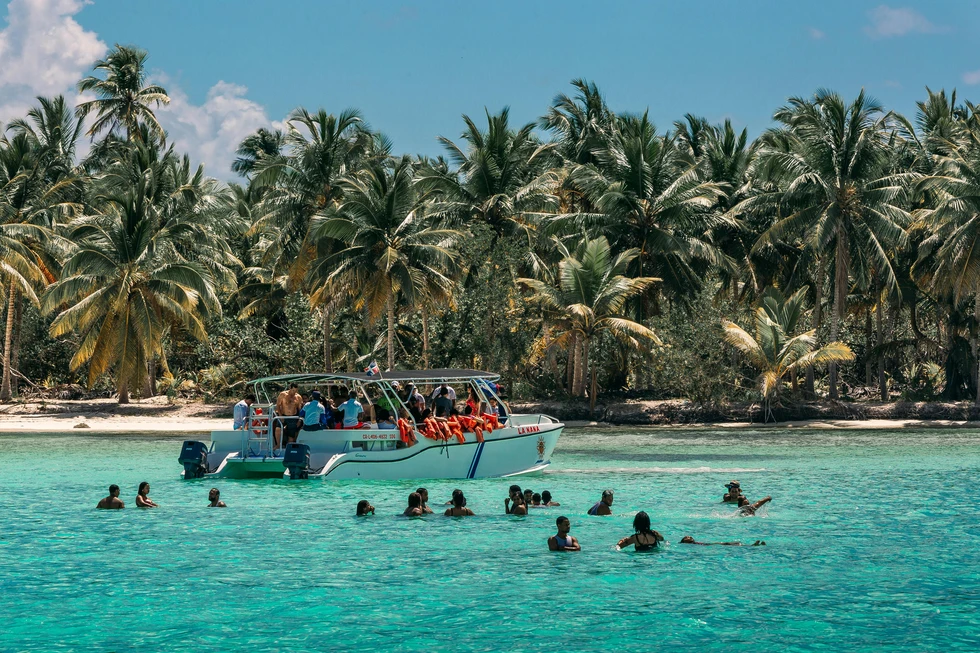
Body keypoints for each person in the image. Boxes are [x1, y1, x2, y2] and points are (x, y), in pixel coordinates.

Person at [274, 383, 304, 448]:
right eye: (293, 390)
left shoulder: (298, 397)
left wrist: (299, 420)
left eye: (296, 391)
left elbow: (300, 410)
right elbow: (278, 406)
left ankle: (289, 448)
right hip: (283, 415)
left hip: (293, 416)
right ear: (290, 388)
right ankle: (278, 444)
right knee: (278, 429)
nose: (294, 393)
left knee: (291, 434)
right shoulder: (282, 395)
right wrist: (280, 415)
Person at [680, 536, 766, 546]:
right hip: (712, 546)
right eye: (686, 537)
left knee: (731, 543)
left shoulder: (695, 543)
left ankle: (752, 545)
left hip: (712, 544)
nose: (689, 537)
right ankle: (752, 546)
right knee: (729, 544)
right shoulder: (692, 545)